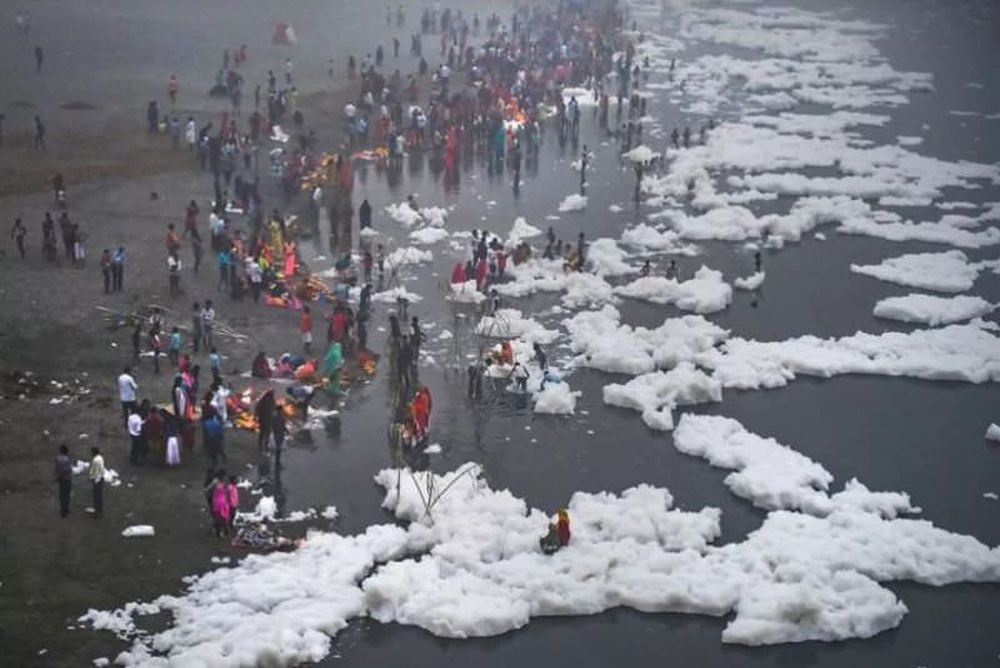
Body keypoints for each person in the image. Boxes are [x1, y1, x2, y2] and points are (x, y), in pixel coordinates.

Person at [210, 471, 231, 537]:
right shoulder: (224, 484)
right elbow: (229, 493)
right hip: (222, 503)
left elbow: (208, 490)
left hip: (219, 503)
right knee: (222, 518)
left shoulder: (216, 483)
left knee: (219, 518)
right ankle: (222, 532)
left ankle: (219, 532)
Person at [55, 444, 73, 518]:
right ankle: (66, 509)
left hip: (61, 479)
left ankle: (63, 510)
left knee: (62, 495)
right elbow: (69, 470)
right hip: (67, 479)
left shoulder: (58, 459)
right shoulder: (67, 460)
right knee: (67, 495)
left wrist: (57, 477)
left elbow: (57, 469)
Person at [88, 447, 106, 519]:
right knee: (99, 497)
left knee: (96, 497)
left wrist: (93, 478)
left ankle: (97, 513)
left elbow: (96, 471)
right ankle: (99, 511)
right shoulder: (100, 458)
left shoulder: (95, 460)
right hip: (100, 479)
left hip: (97, 480)